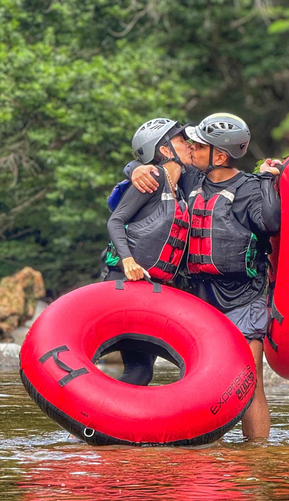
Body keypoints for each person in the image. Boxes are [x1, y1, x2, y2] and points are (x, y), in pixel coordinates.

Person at [127, 113, 281, 440]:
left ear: (220, 155)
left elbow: (271, 221)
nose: (191, 149)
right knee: (208, 384)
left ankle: (258, 458)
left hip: (244, 298)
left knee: (248, 380)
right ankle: (212, 457)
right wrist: (134, 169)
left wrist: (268, 179)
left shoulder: (251, 190)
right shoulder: (190, 180)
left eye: (198, 145)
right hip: (199, 298)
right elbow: (150, 168)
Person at [103, 117, 193, 385]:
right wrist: (128, 260)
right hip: (122, 283)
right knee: (139, 370)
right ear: (165, 150)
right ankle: (85, 426)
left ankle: (91, 428)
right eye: (181, 140)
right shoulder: (150, 179)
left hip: (152, 290)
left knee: (141, 372)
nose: (188, 144)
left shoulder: (182, 187)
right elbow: (115, 220)